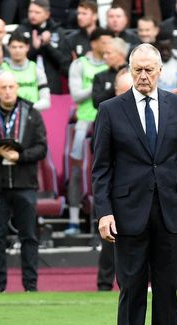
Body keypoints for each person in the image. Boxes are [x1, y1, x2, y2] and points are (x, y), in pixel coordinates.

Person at [91, 43, 177, 325]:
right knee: (131, 288)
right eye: (137, 69)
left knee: (168, 288)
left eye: (149, 70)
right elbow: (101, 169)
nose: (143, 76)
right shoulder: (110, 109)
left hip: (171, 211)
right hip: (127, 214)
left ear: (160, 71)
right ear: (128, 70)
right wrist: (104, 212)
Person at [0, 71, 49, 294]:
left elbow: (41, 148)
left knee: (29, 235)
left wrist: (20, 156)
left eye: (11, 87)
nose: (7, 91)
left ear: (17, 88)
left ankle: (30, 285)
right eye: (3, 87)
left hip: (24, 183)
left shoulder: (31, 113)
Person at [64, 28, 110, 236]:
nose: (108, 46)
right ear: (94, 43)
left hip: (108, 121)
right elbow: (76, 94)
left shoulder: (114, 63)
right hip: (85, 120)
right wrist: (101, 87)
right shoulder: (80, 64)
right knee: (76, 168)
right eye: (104, 42)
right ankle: (73, 220)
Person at [95, 69, 134, 292]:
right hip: (115, 189)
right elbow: (100, 161)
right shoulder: (108, 112)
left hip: (139, 190)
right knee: (110, 241)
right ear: (117, 91)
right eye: (126, 89)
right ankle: (103, 284)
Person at [16, 0, 72, 94]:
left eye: (37, 12)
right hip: (25, 85)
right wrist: (34, 48)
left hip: (52, 86)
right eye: (30, 11)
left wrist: (48, 45)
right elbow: (16, 60)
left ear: (47, 14)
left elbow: (64, 63)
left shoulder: (58, 32)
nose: (32, 15)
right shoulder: (20, 30)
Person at [0, 32, 51, 111]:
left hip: (32, 116)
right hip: (6, 114)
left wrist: (27, 109)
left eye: (21, 47)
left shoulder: (36, 70)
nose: (17, 50)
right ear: (8, 48)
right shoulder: (0, 71)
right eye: (14, 47)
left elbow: (46, 101)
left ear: (27, 47)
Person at [91, 37, 129, 109]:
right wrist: (115, 85)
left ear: (121, 54)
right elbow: (96, 103)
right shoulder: (100, 76)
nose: (104, 56)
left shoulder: (133, 74)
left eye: (108, 53)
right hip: (107, 117)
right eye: (104, 53)